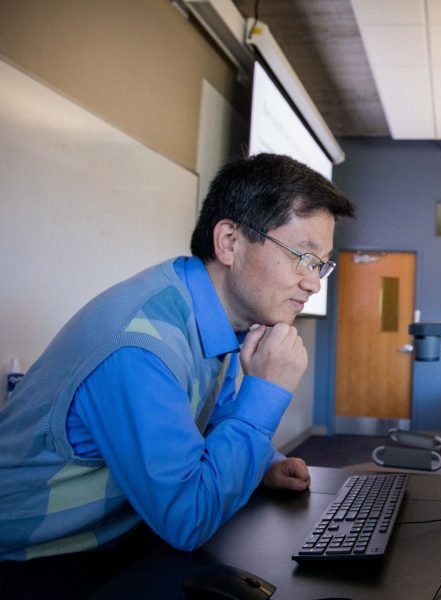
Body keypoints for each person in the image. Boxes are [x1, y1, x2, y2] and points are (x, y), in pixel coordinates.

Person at [0, 153, 356, 561]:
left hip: (121, 531)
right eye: (302, 257)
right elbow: (189, 520)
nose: (312, 283)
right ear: (229, 242)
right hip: (37, 559)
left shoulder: (206, 310)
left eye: (320, 265)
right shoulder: (140, 346)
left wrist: (262, 463)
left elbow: (205, 428)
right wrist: (267, 393)